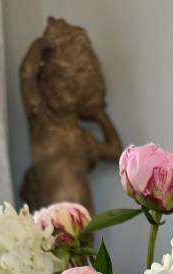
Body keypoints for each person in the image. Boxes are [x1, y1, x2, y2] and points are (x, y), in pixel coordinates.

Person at [20, 17, 122, 213]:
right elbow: (27, 76)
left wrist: (101, 116)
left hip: (85, 218)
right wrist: (40, 45)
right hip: (50, 222)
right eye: (51, 90)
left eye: (64, 86)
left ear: (76, 91)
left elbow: (115, 152)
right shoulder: (43, 127)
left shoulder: (84, 138)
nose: (58, 92)